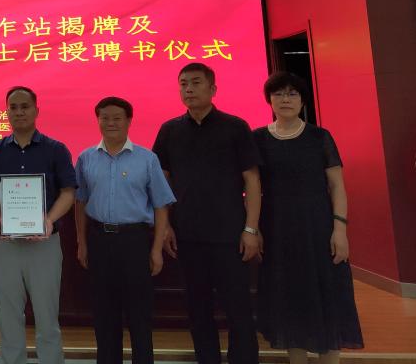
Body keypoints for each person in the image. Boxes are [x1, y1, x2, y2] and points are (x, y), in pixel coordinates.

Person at [152, 63, 261, 364]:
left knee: (238, 309)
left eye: (196, 83)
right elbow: (161, 182)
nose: (188, 89)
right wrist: (165, 226)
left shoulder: (235, 127)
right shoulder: (170, 130)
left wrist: (251, 229)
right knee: (198, 310)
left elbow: (252, 180)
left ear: (213, 89)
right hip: (187, 236)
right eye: (183, 84)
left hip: (230, 236)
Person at [252, 72, 363, 364]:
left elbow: (337, 186)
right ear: (269, 100)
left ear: (302, 101)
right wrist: (255, 228)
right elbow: (253, 187)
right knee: (289, 298)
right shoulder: (258, 138)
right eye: (278, 94)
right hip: (277, 229)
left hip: (318, 227)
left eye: (292, 94)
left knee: (329, 296)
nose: (285, 99)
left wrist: (340, 229)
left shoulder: (319, 137)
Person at [0, 86, 76, 364]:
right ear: (6, 112)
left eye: (25, 106)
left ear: (36, 110)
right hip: (4, 244)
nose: (19, 112)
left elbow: (68, 192)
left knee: (47, 317)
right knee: (8, 317)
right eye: (13, 107)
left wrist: (49, 220)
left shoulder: (56, 149)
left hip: (44, 245)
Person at [74, 97, 175, 364]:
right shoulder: (85, 158)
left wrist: (156, 249)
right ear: (97, 120)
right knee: (104, 315)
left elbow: (161, 205)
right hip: (99, 240)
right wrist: (82, 242)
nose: (111, 123)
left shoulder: (147, 159)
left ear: (129, 121)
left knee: (139, 315)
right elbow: (80, 202)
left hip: (135, 241)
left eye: (117, 118)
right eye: (105, 118)